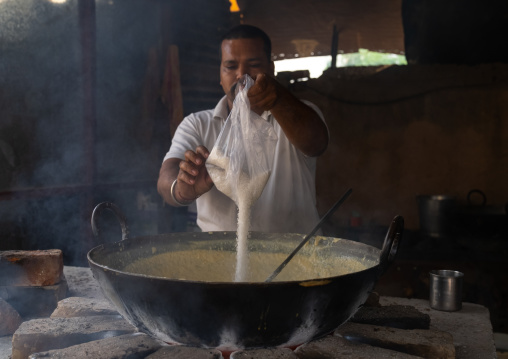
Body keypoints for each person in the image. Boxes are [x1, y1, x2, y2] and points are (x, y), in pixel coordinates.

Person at [157, 24, 329, 233]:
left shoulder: (297, 114)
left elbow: (316, 143)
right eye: (230, 66)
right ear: (220, 76)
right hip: (218, 258)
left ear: (271, 70)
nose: (242, 75)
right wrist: (183, 188)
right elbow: (166, 178)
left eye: (254, 64)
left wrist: (279, 99)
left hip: (293, 257)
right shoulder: (197, 124)